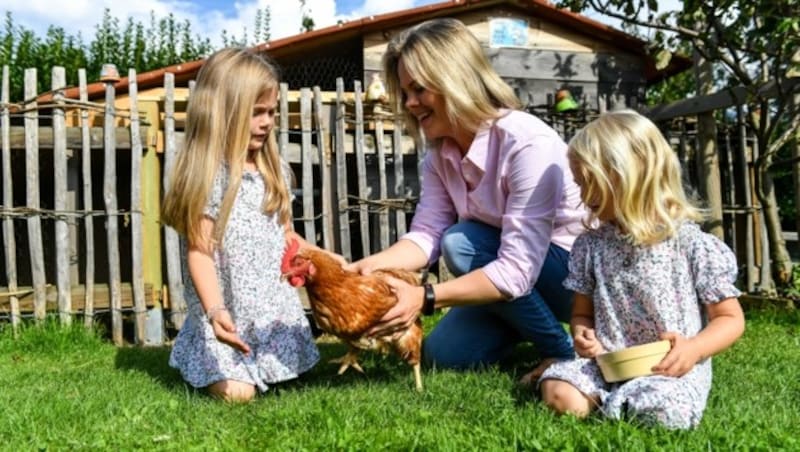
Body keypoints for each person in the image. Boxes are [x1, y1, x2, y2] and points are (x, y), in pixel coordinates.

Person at [345, 18, 588, 375]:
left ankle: (561, 353)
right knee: (444, 355)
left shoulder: (526, 143)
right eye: (405, 92)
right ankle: (521, 320)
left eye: (419, 89)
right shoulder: (439, 157)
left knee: (461, 242)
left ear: (455, 79)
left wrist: (426, 297)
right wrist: (363, 269)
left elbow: (517, 271)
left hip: (573, 277)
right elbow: (426, 235)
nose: (410, 103)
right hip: (517, 278)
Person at [537, 110, 745, 429]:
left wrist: (693, 349)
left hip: (669, 369)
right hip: (606, 364)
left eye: (588, 183)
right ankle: (614, 401)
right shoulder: (591, 246)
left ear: (626, 177)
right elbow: (581, 314)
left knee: (664, 413)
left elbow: (730, 319)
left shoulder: (690, 245)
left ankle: (623, 403)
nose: (581, 197)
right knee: (557, 393)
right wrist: (583, 335)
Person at [161, 48, 321, 402]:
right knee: (237, 394)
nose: (267, 122)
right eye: (257, 113)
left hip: (269, 310)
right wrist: (216, 311)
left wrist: (326, 259)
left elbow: (287, 235)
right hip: (226, 315)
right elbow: (200, 253)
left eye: (272, 112)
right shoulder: (211, 176)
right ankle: (208, 357)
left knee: (286, 376)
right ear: (223, 114)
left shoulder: (271, 169)